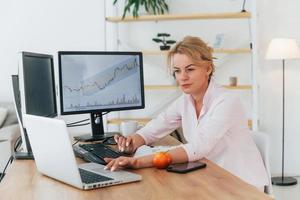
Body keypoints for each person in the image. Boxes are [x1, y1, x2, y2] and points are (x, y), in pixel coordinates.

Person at [104, 36, 269, 191]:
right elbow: (155, 127)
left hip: (242, 185)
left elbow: (199, 147)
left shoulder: (226, 101)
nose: (182, 77)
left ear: (208, 68)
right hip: (210, 176)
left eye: (190, 69)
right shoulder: (185, 100)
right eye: (177, 71)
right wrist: (132, 142)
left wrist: (138, 162)